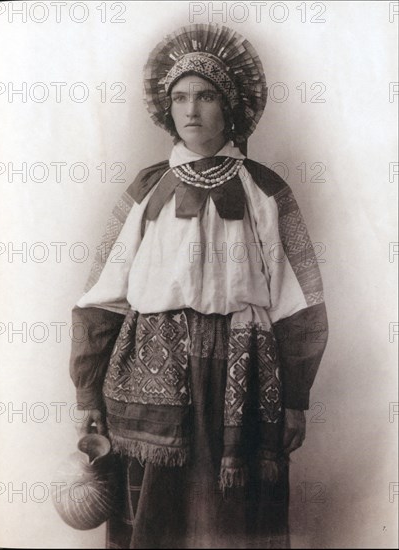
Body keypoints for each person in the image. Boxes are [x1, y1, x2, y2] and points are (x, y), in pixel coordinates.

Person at [69, 23, 329, 549]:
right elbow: (102, 294)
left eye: (206, 96)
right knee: (155, 523)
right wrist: (87, 390)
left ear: (229, 106)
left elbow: (299, 300)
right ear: (168, 108)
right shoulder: (146, 190)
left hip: (243, 377)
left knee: (232, 522)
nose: (192, 111)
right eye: (181, 97)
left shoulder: (266, 190)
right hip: (149, 379)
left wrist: (297, 396)